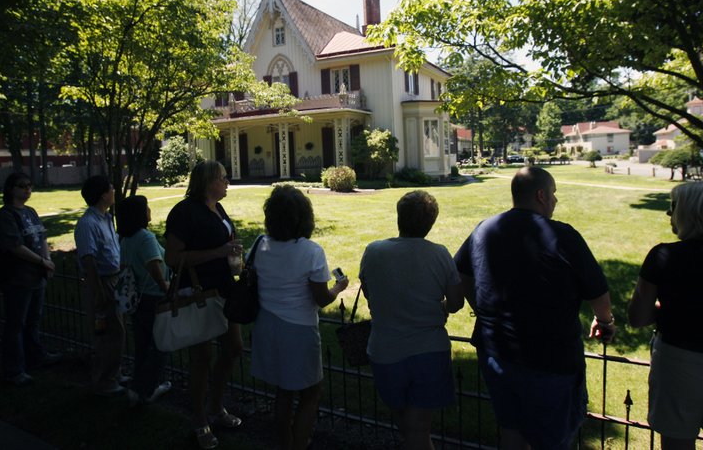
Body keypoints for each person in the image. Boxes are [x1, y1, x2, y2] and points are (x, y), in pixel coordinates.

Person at [454, 166, 615, 450]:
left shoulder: (484, 229)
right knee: (553, 439)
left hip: (495, 353)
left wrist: (480, 309)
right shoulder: (562, 235)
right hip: (550, 358)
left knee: (512, 432)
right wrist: (605, 321)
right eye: (553, 194)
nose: (555, 201)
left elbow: (462, 275)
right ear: (541, 195)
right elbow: (598, 292)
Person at [628, 181, 703, 450]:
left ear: (693, 213)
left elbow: (638, 317)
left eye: (674, 207)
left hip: (680, 363)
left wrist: (673, 307)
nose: (669, 214)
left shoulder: (664, 255)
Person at [359, 190, 464, 450]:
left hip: (385, 350)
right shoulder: (440, 254)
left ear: (399, 217)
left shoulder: (374, 251)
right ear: (431, 222)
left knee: (406, 422)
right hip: (429, 350)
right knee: (418, 426)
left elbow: (369, 293)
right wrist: (442, 307)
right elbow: (457, 302)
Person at [250, 185, 349, 450]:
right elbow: (322, 299)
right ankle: (300, 443)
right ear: (304, 217)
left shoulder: (260, 245)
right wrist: (339, 287)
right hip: (298, 331)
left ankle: (285, 442)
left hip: (266, 326)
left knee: (283, 391)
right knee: (310, 392)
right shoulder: (311, 251)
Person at [165, 160, 244, 449]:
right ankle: (200, 420)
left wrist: (232, 254)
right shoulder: (184, 213)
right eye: (223, 177)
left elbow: (223, 242)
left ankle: (215, 406)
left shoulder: (217, 208)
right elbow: (172, 259)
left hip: (224, 288)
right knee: (201, 358)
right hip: (198, 294)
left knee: (234, 347)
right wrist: (218, 252)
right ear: (208, 181)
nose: (227, 182)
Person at [0, 172, 62, 386]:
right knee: (16, 324)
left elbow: (42, 237)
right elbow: (15, 247)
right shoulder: (5, 215)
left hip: (36, 277)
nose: (27, 189)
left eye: (29, 186)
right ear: (10, 189)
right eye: (22, 186)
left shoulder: (31, 212)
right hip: (18, 278)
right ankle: (14, 370)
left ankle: (36, 357)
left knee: (33, 320)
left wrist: (47, 259)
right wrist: (42, 262)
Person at [116, 195, 172, 406]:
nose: (150, 210)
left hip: (137, 298)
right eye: (146, 207)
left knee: (142, 344)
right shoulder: (145, 237)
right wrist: (167, 289)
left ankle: (137, 386)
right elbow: (155, 267)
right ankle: (145, 390)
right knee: (160, 345)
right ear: (140, 214)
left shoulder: (124, 238)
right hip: (154, 297)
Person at [74, 174, 125, 397]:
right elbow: (88, 259)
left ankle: (115, 373)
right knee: (107, 334)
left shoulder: (106, 218)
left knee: (117, 332)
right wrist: (98, 290)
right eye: (111, 188)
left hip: (114, 279)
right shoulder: (88, 223)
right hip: (102, 282)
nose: (114, 190)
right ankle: (105, 381)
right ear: (103, 194)